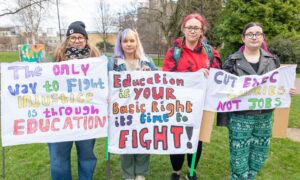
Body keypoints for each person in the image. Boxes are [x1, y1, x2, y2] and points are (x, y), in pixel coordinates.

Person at [222, 22, 297, 180]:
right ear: (243, 38)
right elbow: (222, 89)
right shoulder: (232, 61)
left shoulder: (272, 60)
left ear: (263, 38)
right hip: (240, 117)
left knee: (258, 158)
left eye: (258, 33)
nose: (254, 37)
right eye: (250, 34)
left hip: (265, 117)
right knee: (239, 160)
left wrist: (288, 90)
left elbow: (278, 85)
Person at [162, 13, 221, 180]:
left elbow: (218, 78)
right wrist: (195, 75)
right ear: (183, 29)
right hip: (177, 104)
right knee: (177, 136)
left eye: (197, 28)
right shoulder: (174, 52)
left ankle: (191, 171)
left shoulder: (210, 53)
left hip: (201, 104)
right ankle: (176, 172)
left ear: (202, 31)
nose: (193, 31)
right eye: (189, 27)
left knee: (196, 138)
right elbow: (166, 78)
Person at [49, 21, 101, 180]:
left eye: (80, 37)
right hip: (58, 116)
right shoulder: (54, 59)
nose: (77, 40)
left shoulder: (97, 60)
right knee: (58, 158)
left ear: (86, 40)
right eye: (73, 37)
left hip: (86, 116)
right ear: (67, 39)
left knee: (86, 156)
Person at [111, 28, 158, 180]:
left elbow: (160, 82)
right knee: (125, 141)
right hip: (123, 111)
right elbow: (107, 84)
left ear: (137, 42)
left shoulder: (147, 61)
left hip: (144, 109)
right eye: (125, 41)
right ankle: (128, 174)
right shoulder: (114, 63)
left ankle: (140, 174)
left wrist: (150, 74)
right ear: (120, 44)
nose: (129, 44)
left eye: (132, 40)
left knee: (143, 140)